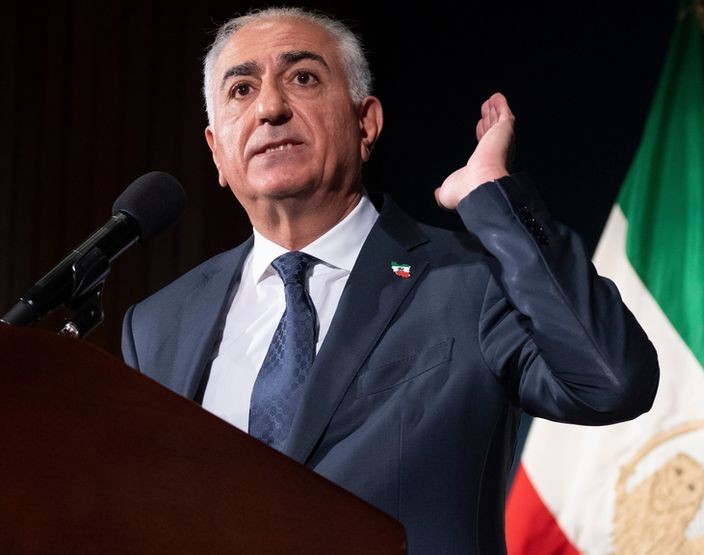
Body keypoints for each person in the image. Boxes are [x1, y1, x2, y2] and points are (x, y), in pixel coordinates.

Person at [122, 7, 659, 554]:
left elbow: (611, 382)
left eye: (303, 78)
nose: (270, 107)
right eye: (241, 89)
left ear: (366, 124)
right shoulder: (158, 326)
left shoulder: (470, 282)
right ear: (216, 150)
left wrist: (492, 198)